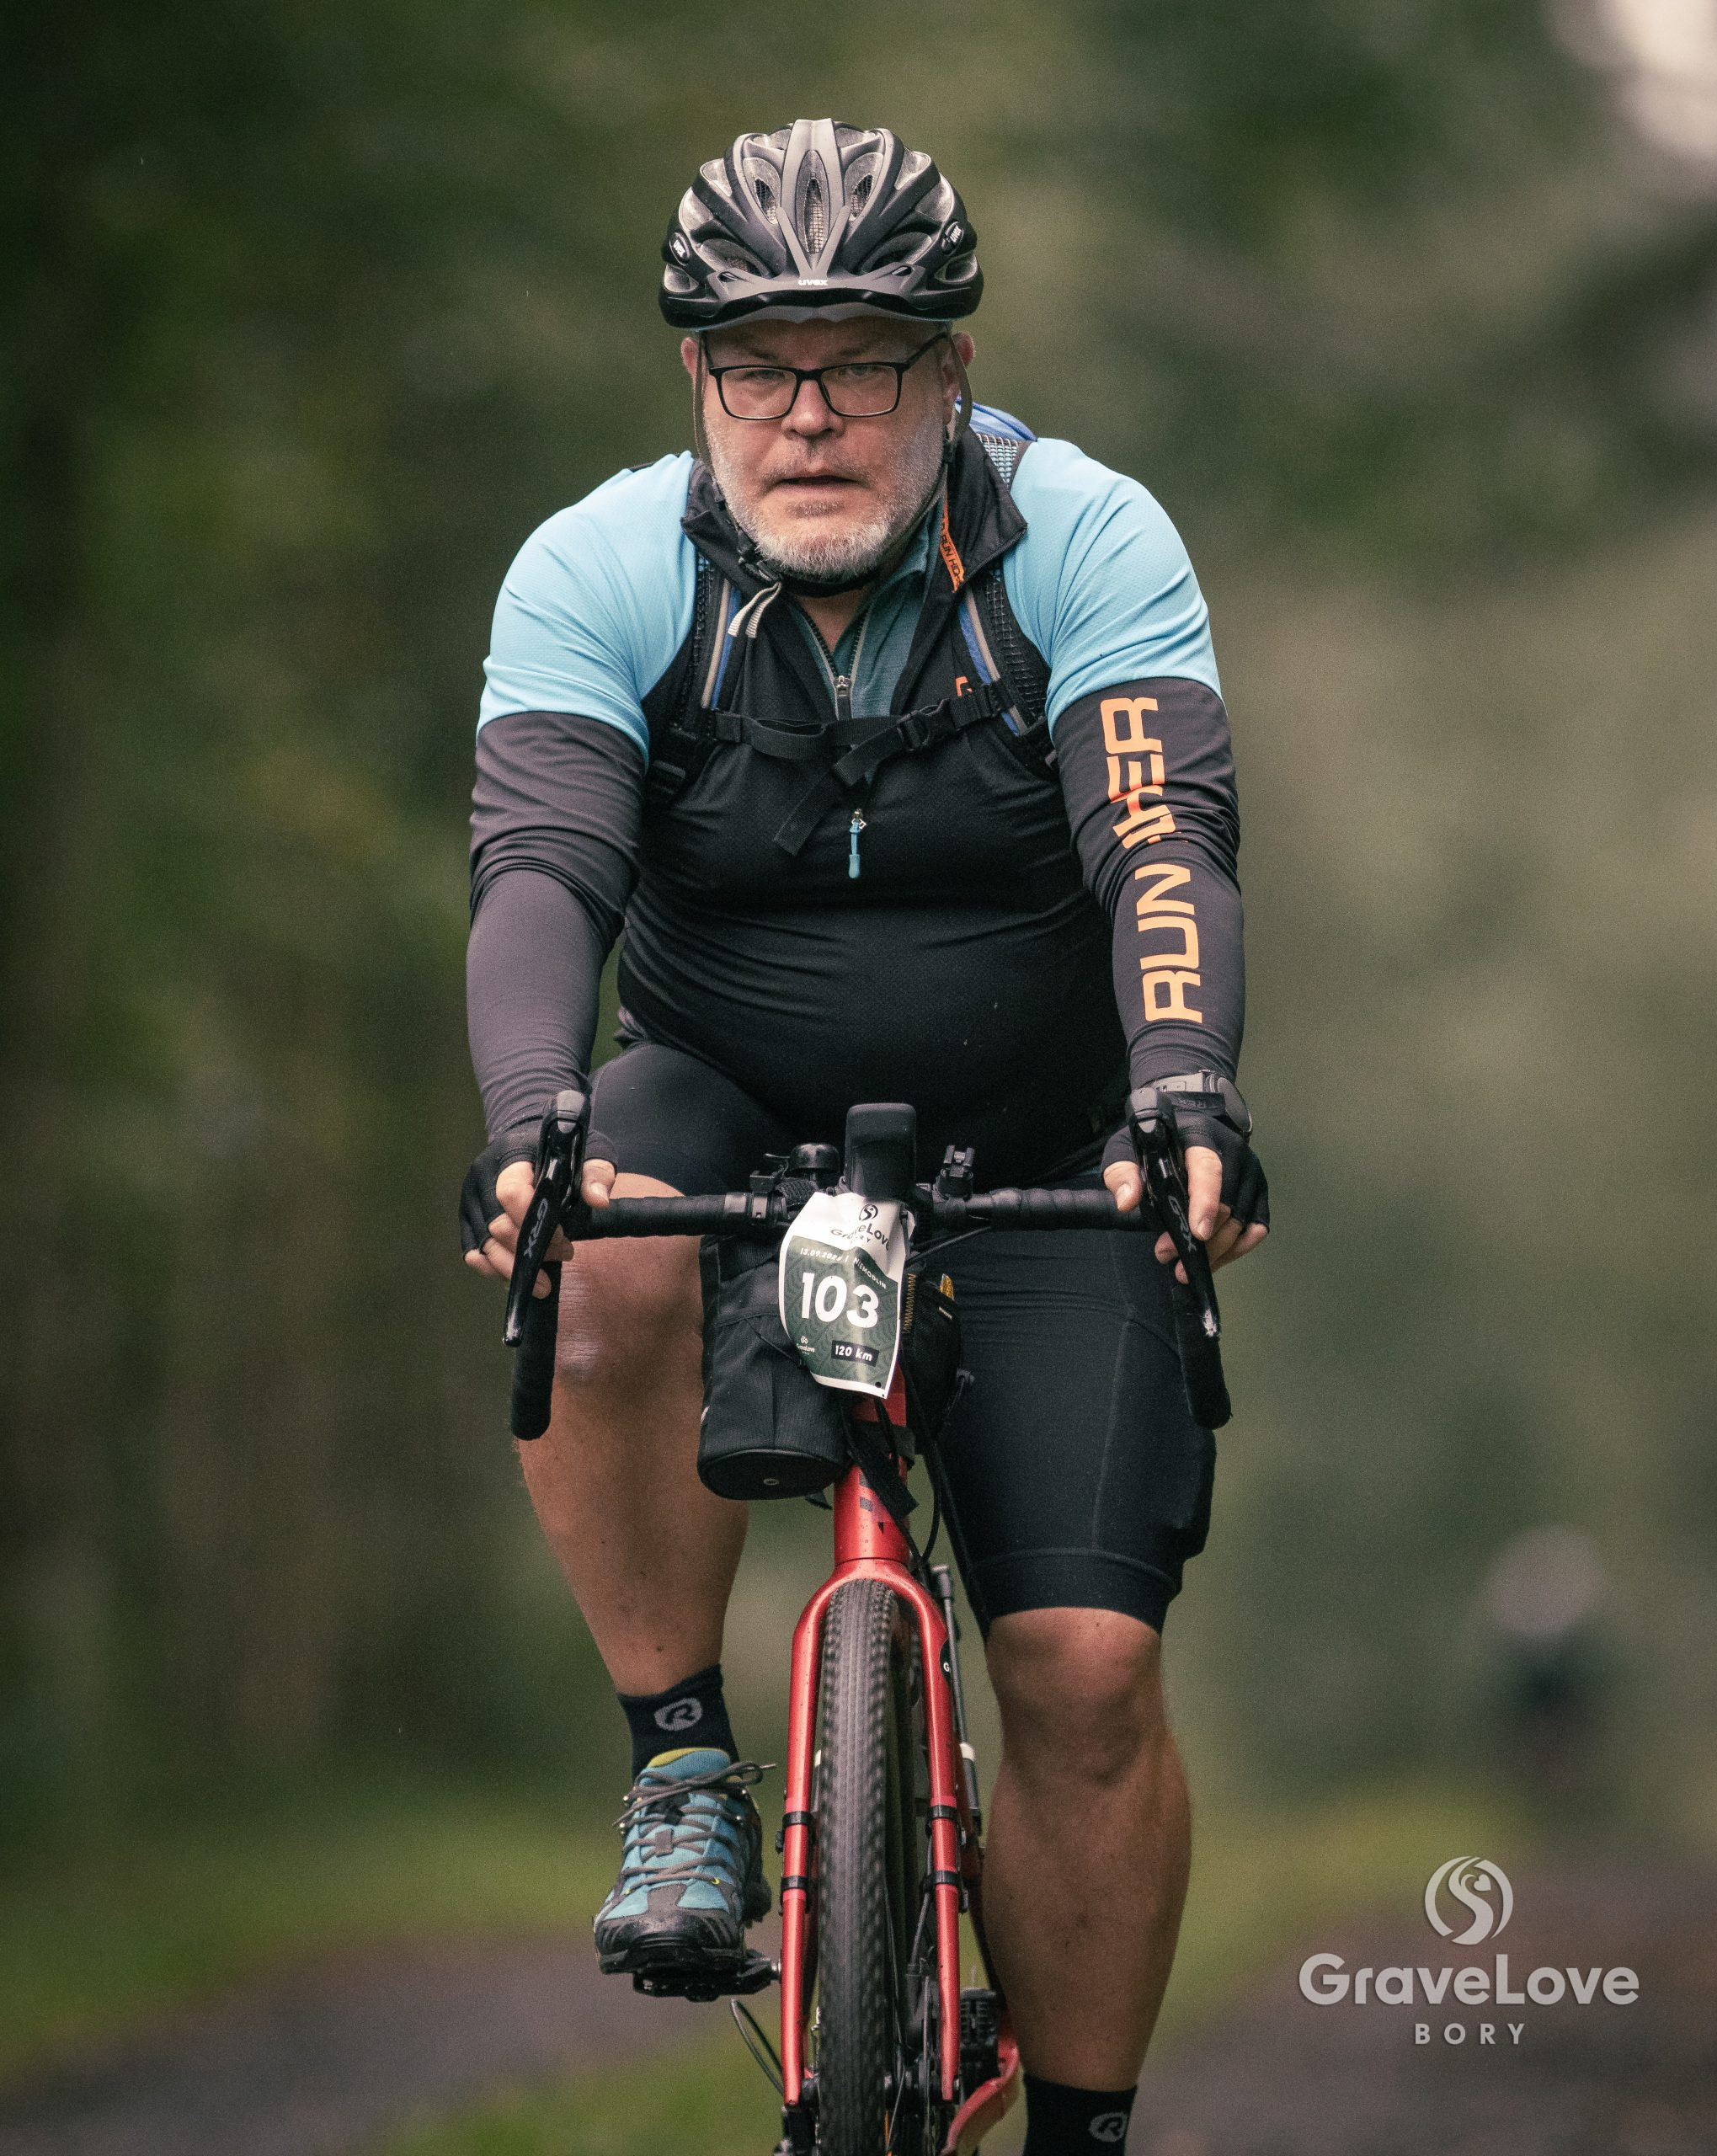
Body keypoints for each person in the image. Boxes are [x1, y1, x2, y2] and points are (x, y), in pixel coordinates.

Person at [460, 118, 1268, 2156]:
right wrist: (525, 1116)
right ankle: (680, 1768)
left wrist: (1183, 1080)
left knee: (1082, 1673)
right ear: (698, 377)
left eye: (865, 361)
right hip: (723, 1114)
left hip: (1039, 1150)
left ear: (951, 371)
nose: (808, 413)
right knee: (590, 1224)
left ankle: (1077, 2128)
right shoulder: (600, 568)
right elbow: (541, 868)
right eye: (760, 365)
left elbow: (1159, 838)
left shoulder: (1085, 540)